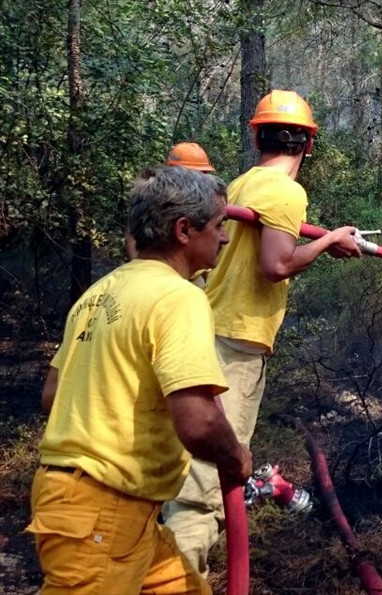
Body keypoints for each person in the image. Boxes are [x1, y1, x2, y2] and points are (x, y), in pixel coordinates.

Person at [163, 89, 362, 575]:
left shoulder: (242, 183)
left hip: (208, 330)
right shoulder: (287, 192)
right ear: (307, 144)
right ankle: (177, 581)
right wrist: (330, 241)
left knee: (185, 471)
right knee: (203, 491)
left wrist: (323, 240)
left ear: (257, 138)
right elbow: (275, 265)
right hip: (234, 346)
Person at [28, 165, 252, 595]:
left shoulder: (99, 293)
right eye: (218, 226)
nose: (224, 238)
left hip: (104, 508)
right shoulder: (179, 297)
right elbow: (199, 423)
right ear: (184, 230)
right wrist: (237, 458)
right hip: (103, 512)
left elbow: (53, 395)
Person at [125, 142, 218, 260]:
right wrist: (141, 264)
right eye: (196, 174)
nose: (200, 179)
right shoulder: (157, 194)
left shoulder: (207, 199)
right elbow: (132, 232)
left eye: (203, 174)